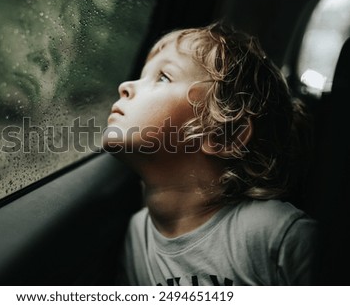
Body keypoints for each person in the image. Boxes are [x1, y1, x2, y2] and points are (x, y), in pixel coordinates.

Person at [103, 22, 317, 285]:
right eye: (143, 74)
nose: (126, 85)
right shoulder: (137, 235)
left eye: (162, 77)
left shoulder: (277, 235)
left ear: (223, 135)